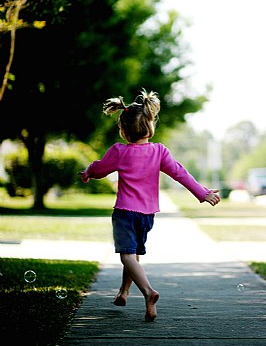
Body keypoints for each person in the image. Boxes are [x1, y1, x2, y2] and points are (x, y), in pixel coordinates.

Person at [80, 88, 220, 322]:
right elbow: (180, 174)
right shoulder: (159, 151)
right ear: (149, 124)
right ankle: (124, 292)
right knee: (133, 255)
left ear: (123, 130)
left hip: (125, 213)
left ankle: (148, 292)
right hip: (147, 215)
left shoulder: (119, 151)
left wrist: (87, 173)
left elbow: (100, 168)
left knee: (127, 256)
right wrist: (202, 193)